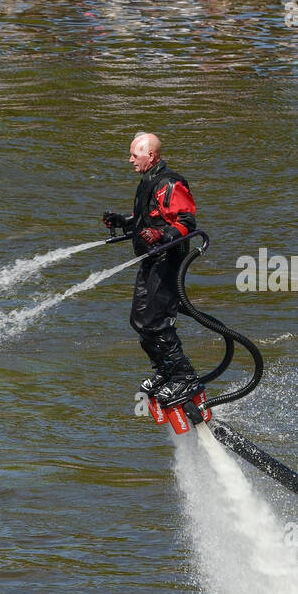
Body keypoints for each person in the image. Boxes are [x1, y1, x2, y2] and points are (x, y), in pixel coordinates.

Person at [102, 132, 200, 407]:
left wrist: (163, 237)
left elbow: (186, 222)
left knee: (155, 321)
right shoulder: (149, 182)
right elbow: (150, 218)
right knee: (140, 320)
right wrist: (123, 221)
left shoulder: (169, 183)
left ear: (151, 156)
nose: (130, 159)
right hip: (152, 260)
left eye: (135, 155)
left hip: (168, 261)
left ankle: (184, 376)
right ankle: (165, 370)